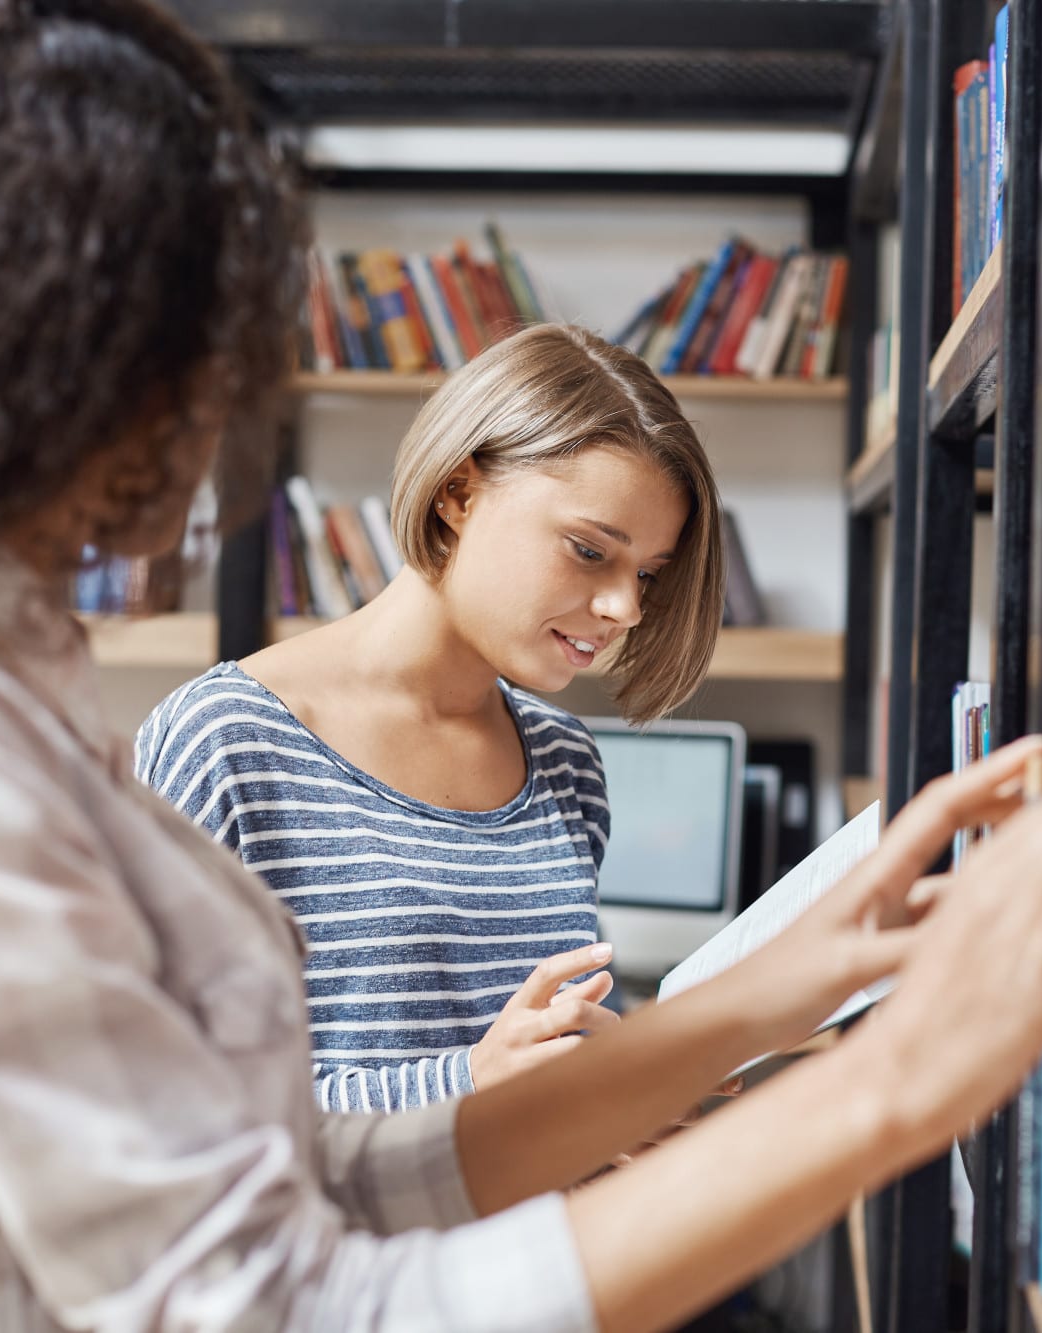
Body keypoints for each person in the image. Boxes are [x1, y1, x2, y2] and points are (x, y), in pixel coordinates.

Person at [0, 3, 1042, 1331]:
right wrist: (891, 1085)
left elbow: (304, 1168)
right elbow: (277, 1297)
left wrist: (778, 992)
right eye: (196, 362)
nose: (205, 434)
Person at [136, 323, 722, 1111]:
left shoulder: (565, 761)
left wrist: (613, 1105)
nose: (625, 607)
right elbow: (152, 1106)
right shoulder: (228, 742)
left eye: (647, 572)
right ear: (457, 491)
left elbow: (538, 1069)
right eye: (589, 551)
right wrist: (468, 1085)